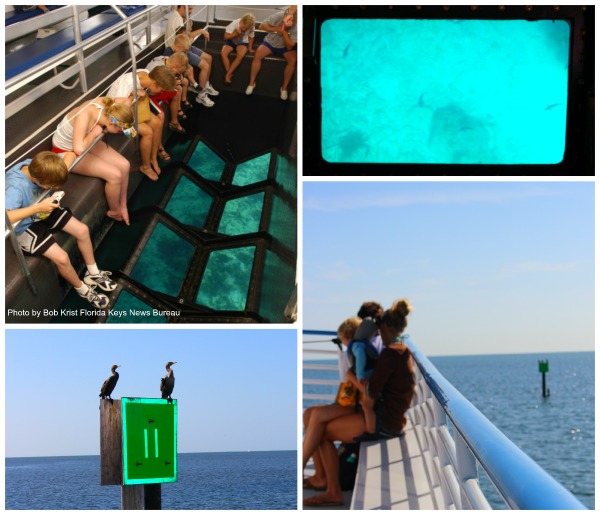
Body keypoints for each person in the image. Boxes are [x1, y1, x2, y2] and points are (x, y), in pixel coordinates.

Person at [303, 299, 416, 507]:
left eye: (379, 331)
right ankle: (323, 481)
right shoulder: (400, 350)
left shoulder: (390, 355)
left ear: (384, 328)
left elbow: (370, 391)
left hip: (383, 423)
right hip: (389, 418)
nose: (376, 335)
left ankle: (332, 491)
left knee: (324, 432)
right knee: (315, 420)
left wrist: (351, 375)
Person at [6, 151, 117, 308]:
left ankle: (93, 273)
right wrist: (38, 207)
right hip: (23, 224)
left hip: (42, 207)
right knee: (62, 258)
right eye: (51, 185)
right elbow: (6, 217)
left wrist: (61, 171)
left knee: (83, 230)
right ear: (38, 180)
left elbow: (70, 154)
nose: (53, 187)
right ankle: (82, 289)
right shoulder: (15, 187)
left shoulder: (42, 163)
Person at [52, 97, 134, 224]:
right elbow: (78, 149)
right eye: (120, 130)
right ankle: (115, 211)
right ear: (111, 124)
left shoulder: (111, 106)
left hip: (85, 141)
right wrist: (95, 133)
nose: (121, 133)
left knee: (125, 165)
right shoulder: (86, 113)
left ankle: (123, 205)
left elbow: (126, 101)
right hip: (67, 151)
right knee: (115, 175)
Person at [303, 316, 361, 491]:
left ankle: (300, 465)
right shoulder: (351, 355)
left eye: (346, 343)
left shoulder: (361, 354)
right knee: (309, 413)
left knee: (318, 418)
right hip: (346, 403)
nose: (345, 347)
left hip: (355, 408)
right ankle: (320, 476)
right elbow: (345, 385)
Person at [107, 66, 176, 180]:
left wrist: (140, 92)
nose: (161, 93)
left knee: (158, 123)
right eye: (162, 89)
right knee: (148, 132)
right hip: (117, 114)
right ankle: (146, 167)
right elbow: (115, 113)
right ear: (155, 84)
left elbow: (146, 91)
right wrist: (130, 132)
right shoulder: (128, 84)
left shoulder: (147, 74)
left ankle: (153, 158)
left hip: (132, 106)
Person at [164, 6, 219, 107]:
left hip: (185, 46)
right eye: (189, 9)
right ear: (182, 7)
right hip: (179, 51)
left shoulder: (177, 16)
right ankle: (201, 95)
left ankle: (206, 85)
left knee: (209, 58)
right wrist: (201, 31)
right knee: (205, 66)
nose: (190, 12)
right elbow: (186, 38)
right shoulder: (177, 20)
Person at [246, 6, 297, 100]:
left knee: (293, 60)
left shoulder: (298, 25)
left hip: (285, 47)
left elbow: (290, 46)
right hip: (270, 43)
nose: (290, 20)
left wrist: (285, 32)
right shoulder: (279, 16)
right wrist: (276, 29)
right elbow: (261, 26)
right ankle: (251, 83)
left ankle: (284, 88)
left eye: (293, 19)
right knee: (258, 54)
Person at [146, 52, 190, 134]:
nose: (178, 74)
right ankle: (159, 146)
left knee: (177, 91)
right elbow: (155, 88)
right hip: (150, 93)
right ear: (174, 67)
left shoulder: (167, 59)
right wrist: (173, 83)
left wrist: (177, 78)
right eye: (177, 72)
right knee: (159, 119)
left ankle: (175, 121)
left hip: (155, 88)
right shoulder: (157, 68)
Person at [221, 13, 255, 84]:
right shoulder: (235, 23)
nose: (245, 29)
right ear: (242, 21)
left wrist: (250, 48)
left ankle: (227, 75)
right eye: (243, 27)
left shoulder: (251, 27)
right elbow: (225, 37)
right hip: (231, 41)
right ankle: (229, 74)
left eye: (247, 28)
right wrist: (234, 34)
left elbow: (251, 37)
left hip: (243, 42)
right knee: (223, 53)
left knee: (240, 55)